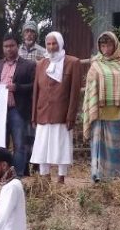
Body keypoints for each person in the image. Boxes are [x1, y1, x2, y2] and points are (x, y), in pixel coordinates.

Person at [30, 31, 82, 184]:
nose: (51, 47)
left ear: (60, 44)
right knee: (42, 146)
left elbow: (75, 92)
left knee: (61, 146)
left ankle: (61, 178)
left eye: (54, 43)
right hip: (43, 112)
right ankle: (44, 177)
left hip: (62, 114)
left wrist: (71, 115)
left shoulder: (72, 62)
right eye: (49, 44)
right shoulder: (41, 64)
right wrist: (34, 115)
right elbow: (36, 90)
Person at [82, 31, 120, 183]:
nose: (106, 49)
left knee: (114, 147)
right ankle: (97, 176)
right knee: (98, 146)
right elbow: (90, 86)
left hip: (115, 112)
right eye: (103, 45)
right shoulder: (96, 62)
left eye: (109, 45)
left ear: (115, 45)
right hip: (99, 111)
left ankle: (114, 178)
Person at [0, 33, 36, 177]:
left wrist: (18, 87)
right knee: (1, 145)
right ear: (2, 48)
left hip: (18, 110)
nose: (9, 49)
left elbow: (34, 86)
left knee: (19, 145)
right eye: (6, 46)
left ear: (17, 46)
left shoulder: (28, 65)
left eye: (12, 46)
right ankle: (1, 175)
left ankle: (18, 176)